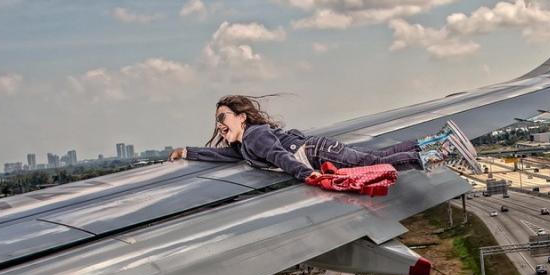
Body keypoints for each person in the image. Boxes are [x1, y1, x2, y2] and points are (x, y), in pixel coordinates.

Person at [168, 95, 479, 184]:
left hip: (315, 154)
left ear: (241, 117)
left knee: (374, 165)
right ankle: (436, 141)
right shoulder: (244, 145)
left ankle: (442, 150)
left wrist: (310, 176)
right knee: (375, 159)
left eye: (223, 118)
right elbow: (222, 156)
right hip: (318, 149)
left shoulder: (254, 136)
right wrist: (187, 152)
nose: (219, 125)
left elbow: (280, 157)